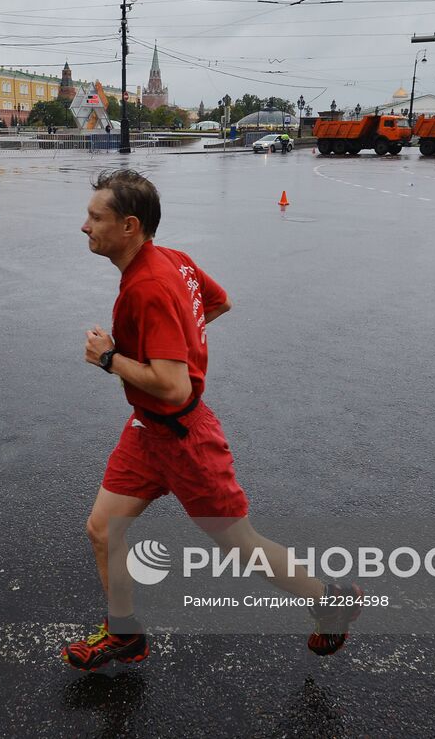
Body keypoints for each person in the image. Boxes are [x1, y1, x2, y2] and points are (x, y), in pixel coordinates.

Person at [62, 169, 361, 672]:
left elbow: (174, 385)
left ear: (130, 225)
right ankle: (125, 634)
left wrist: (111, 359)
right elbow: (218, 302)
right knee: (102, 528)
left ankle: (330, 599)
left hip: (183, 438)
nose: (84, 226)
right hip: (147, 431)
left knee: (238, 543)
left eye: (96, 217)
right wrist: (179, 344)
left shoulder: (149, 287)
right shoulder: (173, 260)